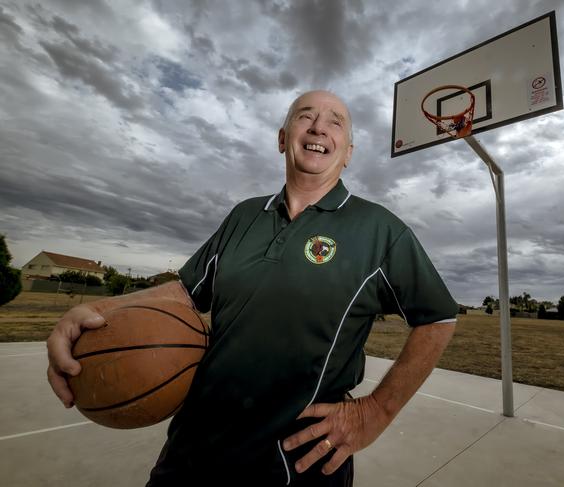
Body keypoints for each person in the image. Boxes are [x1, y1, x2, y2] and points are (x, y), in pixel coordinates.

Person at [47, 90, 458, 486]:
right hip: (192, 450)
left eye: (336, 123)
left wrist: (376, 410)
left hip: (297, 462)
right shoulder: (244, 215)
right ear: (283, 138)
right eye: (305, 116)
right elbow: (184, 294)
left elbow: (438, 316)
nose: (319, 128)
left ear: (348, 152)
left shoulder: (379, 230)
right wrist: (101, 313)